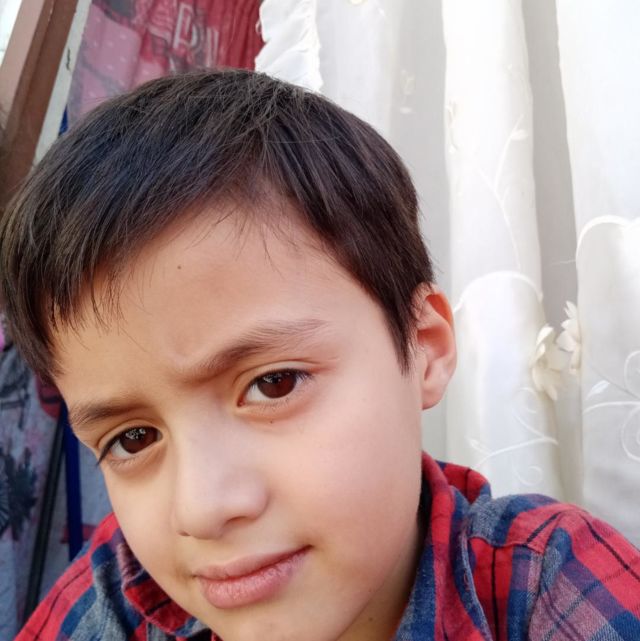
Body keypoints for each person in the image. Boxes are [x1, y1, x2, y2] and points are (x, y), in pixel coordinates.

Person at [1, 69, 639, 641]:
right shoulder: (123, 596)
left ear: (423, 347)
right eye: (134, 438)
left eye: (274, 383)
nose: (202, 508)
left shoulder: (547, 588)